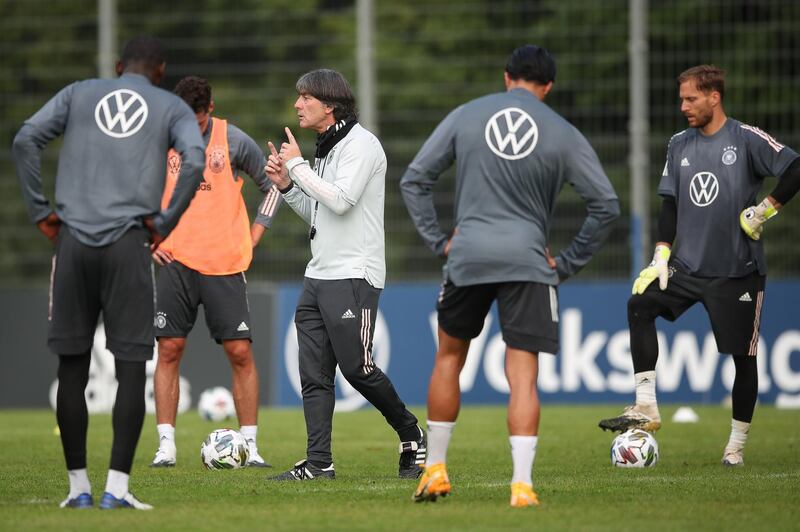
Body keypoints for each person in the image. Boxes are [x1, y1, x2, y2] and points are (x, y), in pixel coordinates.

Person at [400, 45, 619, 507]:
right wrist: (568, 262)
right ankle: (521, 485)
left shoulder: (466, 115)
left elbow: (415, 178)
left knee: (448, 359)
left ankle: (435, 470)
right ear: (548, 87)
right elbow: (605, 205)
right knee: (522, 376)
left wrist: (440, 241)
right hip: (528, 262)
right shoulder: (563, 131)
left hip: (468, 257)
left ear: (506, 78)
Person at [12, 36, 205, 510]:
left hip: (73, 241)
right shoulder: (169, 106)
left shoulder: (77, 93)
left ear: (119, 67)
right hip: (129, 244)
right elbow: (195, 161)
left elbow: (25, 139)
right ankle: (116, 489)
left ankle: (77, 489)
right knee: (130, 367)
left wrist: (41, 212)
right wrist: (163, 223)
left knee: (72, 368)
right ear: (160, 70)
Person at [598, 65, 800, 466]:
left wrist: (764, 211)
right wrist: (660, 255)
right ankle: (646, 406)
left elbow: (795, 168)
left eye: (691, 98)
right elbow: (669, 204)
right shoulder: (678, 144)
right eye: (681, 99)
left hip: (737, 270)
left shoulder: (745, 139)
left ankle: (735, 447)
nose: (683, 106)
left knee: (744, 358)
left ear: (714, 97)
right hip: (686, 268)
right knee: (640, 304)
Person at [264, 68, 426, 481]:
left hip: (355, 273)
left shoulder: (362, 145)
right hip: (317, 275)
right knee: (314, 377)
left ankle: (411, 434)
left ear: (329, 105)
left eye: (306, 98)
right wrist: (287, 185)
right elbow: (319, 214)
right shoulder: (327, 149)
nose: (298, 105)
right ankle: (319, 463)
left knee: (358, 369)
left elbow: (340, 201)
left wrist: (297, 166)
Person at [149, 76, 282, 469]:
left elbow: (273, 185)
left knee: (240, 352)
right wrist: (150, 240)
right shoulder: (161, 139)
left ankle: (250, 445)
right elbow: (135, 185)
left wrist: (256, 232)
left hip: (224, 263)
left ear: (210, 108)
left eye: (198, 117)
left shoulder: (234, 139)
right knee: (169, 349)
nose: (191, 126)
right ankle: (166, 445)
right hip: (175, 260)